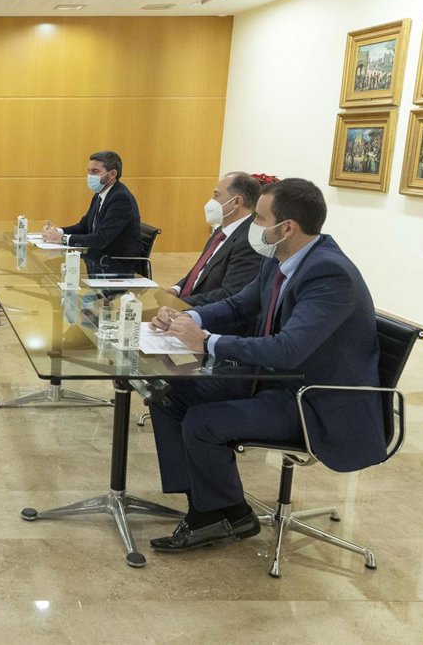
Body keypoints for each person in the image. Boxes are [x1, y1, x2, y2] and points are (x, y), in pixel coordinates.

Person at [145, 178, 385, 552]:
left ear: (287, 227)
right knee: (167, 390)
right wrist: (188, 317)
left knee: (202, 422)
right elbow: (240, 305)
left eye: (259, 218)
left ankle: (221, 514)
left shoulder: (329, 274)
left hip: (313, 400)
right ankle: (210, 506)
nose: (253, 227)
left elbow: (288, 350)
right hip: (274, 381)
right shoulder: (280, 259)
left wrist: (206, 342)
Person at [167, 172, 264, 308]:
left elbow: (229, 294)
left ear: (236, 202)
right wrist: (175, 290)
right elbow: (199, 271)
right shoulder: (222, 230)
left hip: (206, 314)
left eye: (216, 195)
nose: (211, 201)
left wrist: (178, 304)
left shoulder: (249, 241)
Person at [42, 151, 141, 275]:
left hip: (115, 268)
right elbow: (83, 226)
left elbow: (101, 239)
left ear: (112, 174)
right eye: (88, 171)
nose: (90, 176)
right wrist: (57, 231)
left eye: (95, 171)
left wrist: (62, 238)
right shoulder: (100, 194)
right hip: (97, 262)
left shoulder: (121, 198)